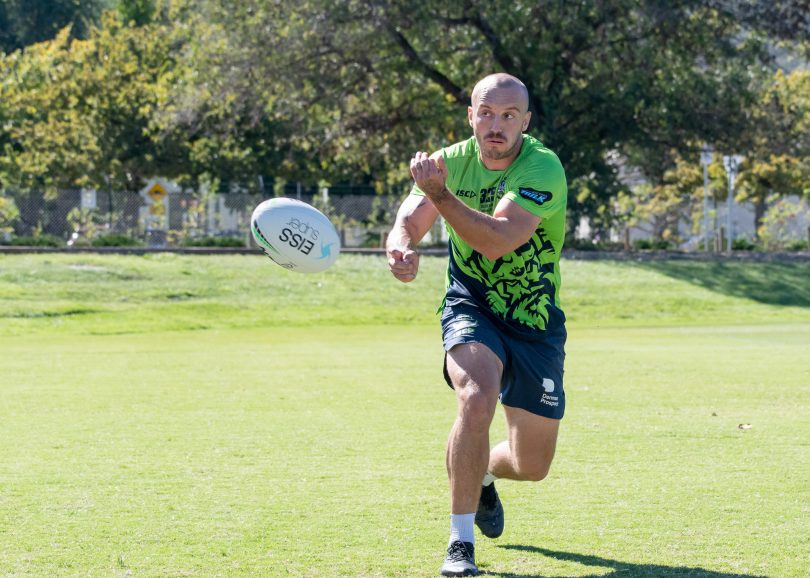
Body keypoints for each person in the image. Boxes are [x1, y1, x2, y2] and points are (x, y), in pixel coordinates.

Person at [386, 73, 568, 577]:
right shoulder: (449, 162)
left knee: (532, 466)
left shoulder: (542, 168)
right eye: (486, 113)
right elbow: (409, 219)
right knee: (476, 392)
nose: (496, 125)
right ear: (471, 115)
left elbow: (495, 239)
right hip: (471, 305)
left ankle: (483, 470)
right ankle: (459, 542)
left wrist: (441, 196)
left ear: (525, 122)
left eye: (509, 115)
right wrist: (400, 248)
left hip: (533, 320)